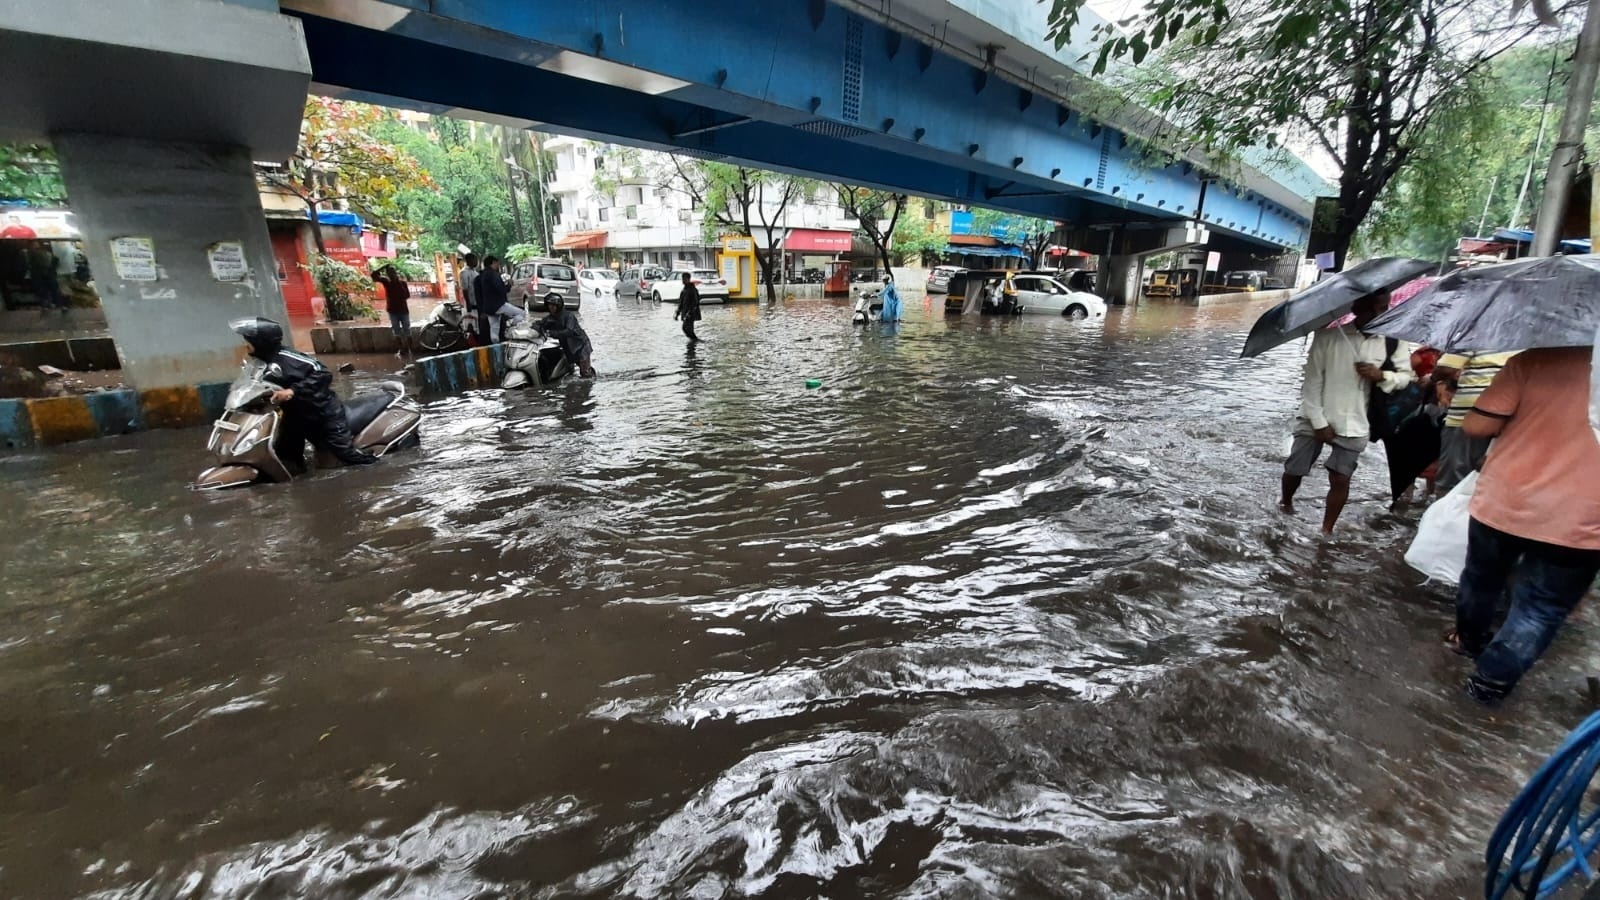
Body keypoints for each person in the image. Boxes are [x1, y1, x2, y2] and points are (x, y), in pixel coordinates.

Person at [1447, 348, 1600, 704]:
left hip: (1506, 502)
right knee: (1540, 608)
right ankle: (1486, 688)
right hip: (1582, 521)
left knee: (1481, 580)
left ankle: (1467, 644)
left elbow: (1476, 425)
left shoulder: (1536, 360)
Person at [1279, 292, 1414, 534]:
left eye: (1384, 308)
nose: (1381, 315)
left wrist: (1381, 375)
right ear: (1358, 308)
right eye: (1375, 308)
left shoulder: (1393, 342)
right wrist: (1319, 423)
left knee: (1341, 478)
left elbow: (1405, 378)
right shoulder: (1328, 337)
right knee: (1294, 469)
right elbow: (1311, 383)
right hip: (1313, 416)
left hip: (1356, 422)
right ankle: (1286, 502)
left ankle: (1326, 530)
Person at [230, 317, 377, 471]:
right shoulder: (259, 363)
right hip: (295, 416)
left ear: (261, 342)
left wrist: (293, 390)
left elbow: (323, 374)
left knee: (345, 453)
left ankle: (376, 467)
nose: (245, 345)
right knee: (285, 456)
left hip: (323, 413)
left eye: (248, 341)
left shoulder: (289, 358)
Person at [1432, 350, 1518, 493]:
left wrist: (1436, 378)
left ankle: (1445, 512)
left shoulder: (1472, 335)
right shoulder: (1527, 343)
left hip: (1464, 419)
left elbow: (1446, 368)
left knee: (1453, 481)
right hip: (1509, 420)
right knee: (1491, 481)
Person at [535, 293, 595, 377]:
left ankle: (591, 379)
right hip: (568, 347)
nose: (551, 308)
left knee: (585, 373)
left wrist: (551, 333)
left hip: (581, 346)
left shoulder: (569, 316)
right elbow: (540, 324)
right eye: (549, 305)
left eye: (553, 306)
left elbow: (568, 331)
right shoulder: (550, 318)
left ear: (558, 306)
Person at [474, 255, 525, 343]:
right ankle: (510, 326)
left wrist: (482, 309)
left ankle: (496, 348)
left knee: (494, 329)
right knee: (522, 314)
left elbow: (478, 294)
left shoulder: (481, 276)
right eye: (497, 263)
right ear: (493, 263)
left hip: (488, 307)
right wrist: (509, 285)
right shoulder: (493, 274)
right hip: (498, 304)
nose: (498, 266)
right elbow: (501, 290)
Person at [372, 264, 413, 356]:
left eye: (393, 273)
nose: (392, 275)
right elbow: (374, 275)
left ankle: (409, 349)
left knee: (407, 330)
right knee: (396, 331)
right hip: (393, 311)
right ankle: (401, 349)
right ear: (388, 274)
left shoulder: (402, 283)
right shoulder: (386, 282)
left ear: (396, 273)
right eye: (389, 273)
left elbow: (407, 296)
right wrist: (383, 266)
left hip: (403, 310)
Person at [28, 241, 63, 312]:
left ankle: (48, 306)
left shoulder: (35, 255)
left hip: (42, 277)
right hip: (47, 276)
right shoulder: (48, 254)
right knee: (52, 292)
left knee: (45, 293)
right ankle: (58, 305)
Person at [673, 271, 702, 342]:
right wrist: (677, 313)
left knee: (685, 328)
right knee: (686, 329)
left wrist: (689, 313)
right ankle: (693, 342)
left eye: (684, 279)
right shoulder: (684, 290)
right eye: (682, 279)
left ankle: (695, 342)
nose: (683, 280)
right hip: (685, 312)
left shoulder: (692, 290)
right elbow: (681, 303)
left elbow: (695, 303)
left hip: (690, 314)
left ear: (688, 279)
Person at [458, 252, 481, 339]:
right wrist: (468, 303)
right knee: (470, 324)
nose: (476, 262)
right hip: (471, 303)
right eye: (475, 260)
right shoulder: (464, 273)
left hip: (477, 302)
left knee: (477, 325)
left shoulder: (475, 273)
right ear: (469, 261)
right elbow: (465, 289)